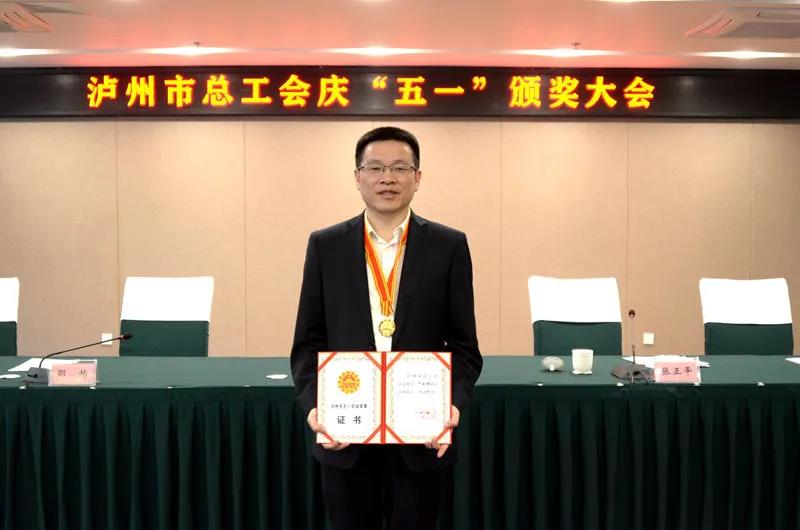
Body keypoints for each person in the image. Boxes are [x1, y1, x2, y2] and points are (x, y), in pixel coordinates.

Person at [290, 126, 482, 530]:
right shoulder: (325, 246)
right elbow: (307, 343)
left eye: (400, 168)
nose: (387, 178)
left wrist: (452, 406)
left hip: (420, 437)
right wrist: (314, 408)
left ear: (418, 177)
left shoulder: (448, 246)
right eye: (375, 168)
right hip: (346, 436)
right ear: (357, 177)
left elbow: (464, 347)